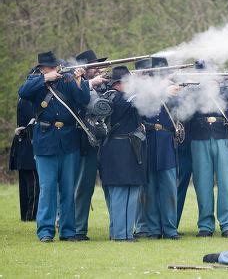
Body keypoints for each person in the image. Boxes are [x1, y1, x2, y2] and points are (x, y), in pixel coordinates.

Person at [18, 51, 90, 242]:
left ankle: (68, 231)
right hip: (45, 142)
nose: (53, 70)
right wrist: (44, 78)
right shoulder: (36, 82)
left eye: (53, 67)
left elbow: (83, 99)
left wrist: (78, 79)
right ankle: (45, 231)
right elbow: (23, 92)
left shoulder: (66, 81)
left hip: (68, 141)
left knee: (68, 189)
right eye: (49, 68)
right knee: (47, 189)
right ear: (42, 69)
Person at [189, 80, 228, 238]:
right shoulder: (192, 88)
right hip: (199, 136)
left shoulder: (224, 88)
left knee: (226, 183)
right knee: (202, 184)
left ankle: (227, 225)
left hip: (222, 136)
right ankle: (205, 225)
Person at [133, 57, 180, 240]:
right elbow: (141, 104)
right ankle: (153, 229)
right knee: (150, 188)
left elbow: (183, 107)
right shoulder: (143, 89)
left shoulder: (173, 87)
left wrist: (174, 91)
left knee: (169, 188)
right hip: (149, 139)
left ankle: (170, 229)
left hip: (167, 141)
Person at [99, 65, 147, 241]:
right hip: (118, 149)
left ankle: (125, 233)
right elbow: (133, 100)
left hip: (129, 148)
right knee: (120, 193)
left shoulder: (124, 97)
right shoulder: (114, 97)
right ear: (119, 83)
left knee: (132, 191)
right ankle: (120, 234)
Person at [73, 49, 109, 241]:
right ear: (83, 70)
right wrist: (88, 84)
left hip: (107, 142)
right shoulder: (75, 84)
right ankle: (78, 230)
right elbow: (79, 101)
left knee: (113, 185)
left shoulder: (103, 85)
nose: (97, 69)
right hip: (85, 141)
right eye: (93, 66)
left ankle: (120, 228)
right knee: (83, 187)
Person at [9, 97, 39, 221]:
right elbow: (30, 122)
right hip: (28, 146)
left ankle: (26, 216)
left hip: (24, 145)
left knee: (27, 185)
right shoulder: (28, 99)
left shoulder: (24, 98)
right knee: (33, 185)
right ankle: (30, 216)